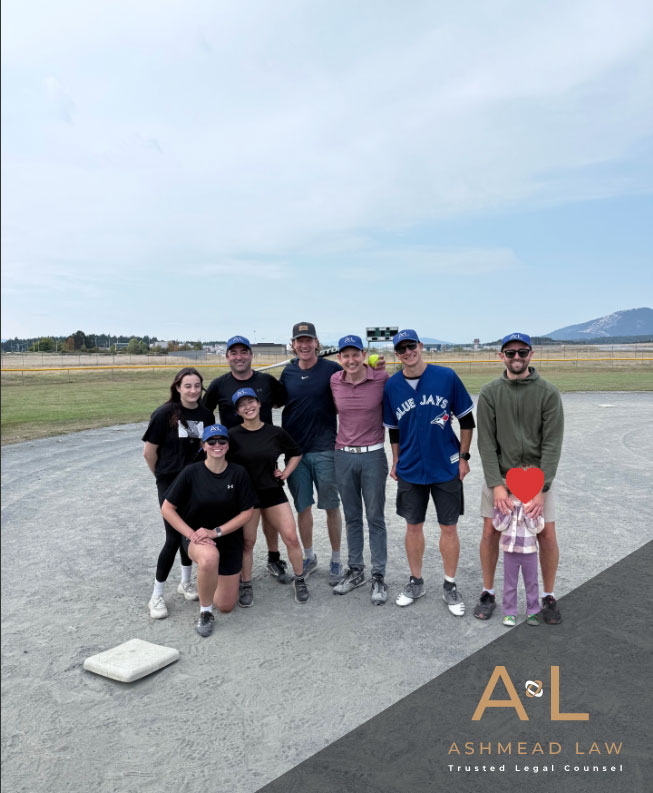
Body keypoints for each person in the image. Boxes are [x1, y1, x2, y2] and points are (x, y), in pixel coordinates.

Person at [383, 329, 475, 616]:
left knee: (449, 527)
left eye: (411, 346)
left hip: (445, 465)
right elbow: (394, 430)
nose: (407, 352)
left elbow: (467, 421)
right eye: (401, 349)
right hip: (410, 467)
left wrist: (463, 457)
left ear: (421, 346)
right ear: (396, 354)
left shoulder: (446, 376)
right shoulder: (392, 385)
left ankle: (450, 584)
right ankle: (416, 581)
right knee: (413, 526)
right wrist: (395, 461)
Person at [474, 332, 564, 624]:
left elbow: (552, 444)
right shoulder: (490, 393)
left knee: (546, 534)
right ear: (501, 356)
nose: (516, 357)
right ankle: (488, 592)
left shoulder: (548, 393)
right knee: (491, 532)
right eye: (510, 352)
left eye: (522, 352)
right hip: (500, 476)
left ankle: (547, 596)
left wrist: (541, 489)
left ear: (531, 354)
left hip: (537, 478)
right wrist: (496, 485)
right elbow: (486, 443)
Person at [203, 335, 291, 584]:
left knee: (268, 514)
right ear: (227, 357)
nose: (239, 357)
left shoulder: (266, 381)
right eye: (234, 353)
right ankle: (234, 566)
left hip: (264, 458)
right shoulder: (219, 385)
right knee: (236, 516)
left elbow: (284, 401)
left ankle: (274, 558)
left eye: (244, 352)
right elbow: (204, 415)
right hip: (232, 462)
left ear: (251, 355)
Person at [161, 424, 256, 637]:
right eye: (211, 441)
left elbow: (247, 512)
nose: (217, 445)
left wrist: (216, 532)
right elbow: (167, 508)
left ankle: (212, 577)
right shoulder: (191, 472)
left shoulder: (238, 473)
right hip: (198, 537)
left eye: (222, 440)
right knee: (209, 557)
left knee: (226, 605)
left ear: (228, 445)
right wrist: (191, 534)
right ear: (204, 446)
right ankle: (205, 612)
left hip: (227, 537)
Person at [142, 367, 215, 619]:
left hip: (194, 482)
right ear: (177, 387)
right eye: (188, 386)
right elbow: (149, 452)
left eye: (197, 386)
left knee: (190, 532)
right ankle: (157, 595)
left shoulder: (206, 415)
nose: (193, 390)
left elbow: (207, 449)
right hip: (170, 483)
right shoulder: (164, 414)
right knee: (173, 537)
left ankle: (185, 582)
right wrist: (162, 478)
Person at [227, 387, 310, 606]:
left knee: (291, 536)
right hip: (247, 496)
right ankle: (246, 584)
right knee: (248, 542)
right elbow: (220, 460)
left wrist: (285, 472)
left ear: (259, 404)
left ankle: (299, 579)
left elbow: (296, 453)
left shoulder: (275, 432)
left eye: (251, 402)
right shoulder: (232, 435)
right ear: (237, 411)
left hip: (272, 490)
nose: (248, 407)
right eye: (242, 405)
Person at [280, 322, 343, 584]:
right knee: (303, 507)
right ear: (293, 344)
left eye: (308, 340)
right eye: (299, 341)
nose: (304, 345)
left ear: (316, 342)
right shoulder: (288, 373)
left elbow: (353, 384)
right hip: (296, 452)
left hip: (325, 448)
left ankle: (336, 559)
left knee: (331, 506)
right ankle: (309, 556)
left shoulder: (331, 369)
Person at [330, 334, 390, 604]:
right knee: (352, 517)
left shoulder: (380, 377)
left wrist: (379, 363)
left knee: (375, 517)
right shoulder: (335, 380)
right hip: (343, 455)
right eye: (346, 355)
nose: (351, 360)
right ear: (339, 358)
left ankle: (378, 575)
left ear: (364, 355)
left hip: (373, 455)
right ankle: (356, 571)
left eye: (356, 354)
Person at [492, 499, 544, 626]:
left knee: (532, 582)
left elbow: (538, 528)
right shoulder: (504, 503)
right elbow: (498, 526)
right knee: (510, 583)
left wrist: (527, 511)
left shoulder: (533, 504)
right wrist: (508, 511)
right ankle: (509, 612)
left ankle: (533, 611)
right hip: (510, 550)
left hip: (529, 550)